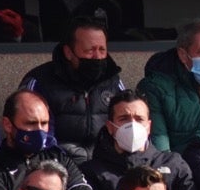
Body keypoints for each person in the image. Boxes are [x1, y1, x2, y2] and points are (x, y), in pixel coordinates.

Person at [81, 89, 196, 190]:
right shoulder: (92, 172)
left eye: (139, 119)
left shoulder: (173, 164)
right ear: (110, 127)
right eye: (124, 119)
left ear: (149, 127)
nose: (132, 125)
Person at [17, 19, 126, 160]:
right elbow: (35, 136)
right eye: (90, 50)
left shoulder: (113, 81)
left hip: (105, 164)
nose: (97, 57)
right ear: (68, 52)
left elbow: (128, 124)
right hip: (58, 164)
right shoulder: (40, 81)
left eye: (102, 50)